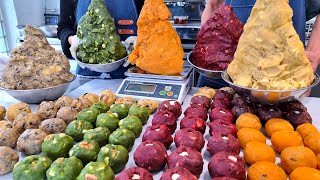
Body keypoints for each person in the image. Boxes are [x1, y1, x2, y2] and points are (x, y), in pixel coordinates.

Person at [198, 0, 320, 88]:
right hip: (226, 75)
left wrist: (315, 51)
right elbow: (214, 4)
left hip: (285, 79)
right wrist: (205, 47)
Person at [57, 0, 144, 79]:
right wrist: (72, 40)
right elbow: (64, 27)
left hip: (132, 75)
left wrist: (142, 41)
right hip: (87, 77)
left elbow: (155, 24)